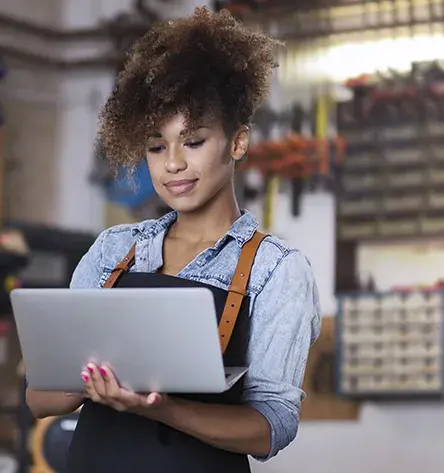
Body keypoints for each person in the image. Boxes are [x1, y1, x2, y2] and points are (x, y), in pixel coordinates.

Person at [25, 7, 321, 473]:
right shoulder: (112, 251)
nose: (173, 165)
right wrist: (90, 384)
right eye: (157, 146)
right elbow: (38, 399)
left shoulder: (275, 270)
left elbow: (272, 427)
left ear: (237, 143)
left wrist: (156, 407)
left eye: (194, 141)